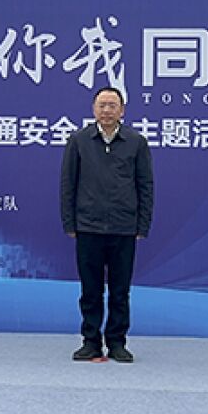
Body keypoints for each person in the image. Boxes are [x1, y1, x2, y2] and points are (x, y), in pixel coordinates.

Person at [60, 87, 154, 363]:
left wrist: (142, 224)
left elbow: (145, 185)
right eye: (102, 105)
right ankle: (90, 341)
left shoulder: (136, 142)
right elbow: (68, 184)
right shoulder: (79, 140)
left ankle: (117, 342)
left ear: (122, 110)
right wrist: (70, 221)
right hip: (88, 226)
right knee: (90, 290)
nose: (107, 110)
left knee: (120, 290)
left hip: (124, 227)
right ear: (93, 109)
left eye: (113, 105)